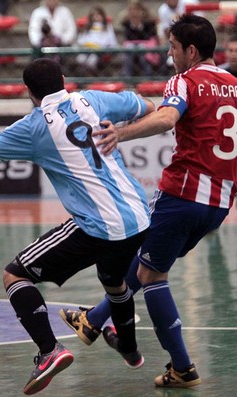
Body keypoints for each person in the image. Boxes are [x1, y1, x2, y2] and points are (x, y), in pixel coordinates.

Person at [0, 58, 155, 395]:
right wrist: (122, 129)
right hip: (139, 217)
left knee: (15, 275)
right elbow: (148, 105)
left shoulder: (33, 127)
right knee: (114, 281)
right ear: (64, 80)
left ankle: (50, 351)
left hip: (98, 226)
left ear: (29, 93)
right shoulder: (94, 99)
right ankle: (131, 350)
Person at [60, 14, 237, 389]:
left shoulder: (185, 80)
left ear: (190, 51)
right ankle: (93, 319)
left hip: (183, 192)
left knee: (149, 273)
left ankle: (183, 367)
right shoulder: (235, 84)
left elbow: (167, 117)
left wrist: (119, 134)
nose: (169, 54)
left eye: (173, 47)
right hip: (220, 201)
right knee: (149, 261)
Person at [119, 0, 161, 77]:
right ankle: (128, 78)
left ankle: (147, 77)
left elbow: (150, 37)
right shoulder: (127, 24)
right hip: (132, 47)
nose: (133, 12)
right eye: (131, 10)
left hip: (146, 46)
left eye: (136, 10)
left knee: (143, 53)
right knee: (128, 53)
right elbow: (128, 38)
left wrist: (139, 26)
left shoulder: (149, 23)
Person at [76, 6, 118, 75]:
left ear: (102, 15)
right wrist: (86, 44)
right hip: (87, 50)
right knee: (80, 59)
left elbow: (111, 41)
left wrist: (100, 45)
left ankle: (93, 77)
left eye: (98, 14)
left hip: (100, 51)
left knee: (92, 61)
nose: (96, 17)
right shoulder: (87, 27)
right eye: (94, 15)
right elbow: (80, 40)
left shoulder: (107, 27)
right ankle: (85, 77)